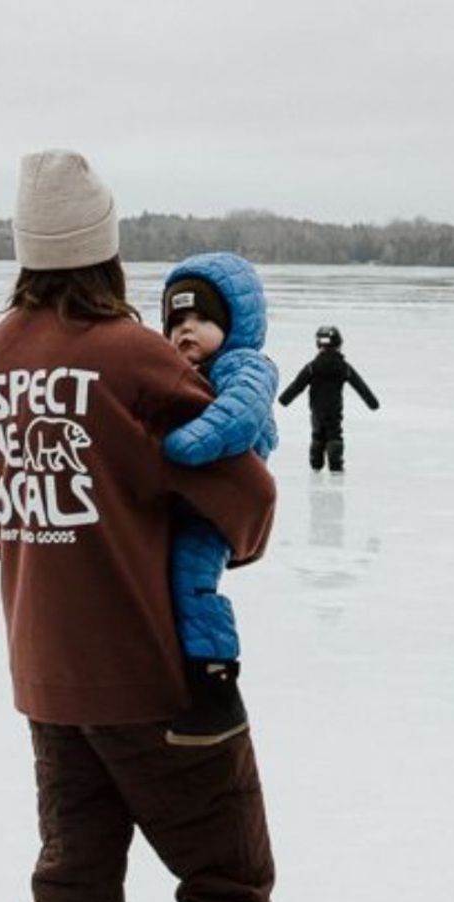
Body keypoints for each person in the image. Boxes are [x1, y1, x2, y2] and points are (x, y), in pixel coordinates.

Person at [0, 150, 277, 902]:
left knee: (72, 897)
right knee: (227, 886)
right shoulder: (132, 358)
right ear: (106, 249)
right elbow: (248, 504)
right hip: (159, 682)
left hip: (51, 686)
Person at [159, 252, 278, 745]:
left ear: (235, 322)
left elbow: (240, 414)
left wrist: (184, 445)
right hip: (191, 497)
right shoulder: (180, 370)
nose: (187, 330)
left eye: (202, 318)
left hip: (217, 506)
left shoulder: (244, 364)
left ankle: (215, 682)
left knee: (192, 580)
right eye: (176, 320)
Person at [277, 324, 379, 471]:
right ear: (338, 343)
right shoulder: (343, 367)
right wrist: (372, 403)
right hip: (334, 408)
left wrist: (283, 400)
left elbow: (296, 386)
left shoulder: (312, 367)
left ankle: (316, 463)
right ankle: (335, 463)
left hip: (317, 409)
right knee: (334, 434)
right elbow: (360, 386)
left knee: (317, 434)